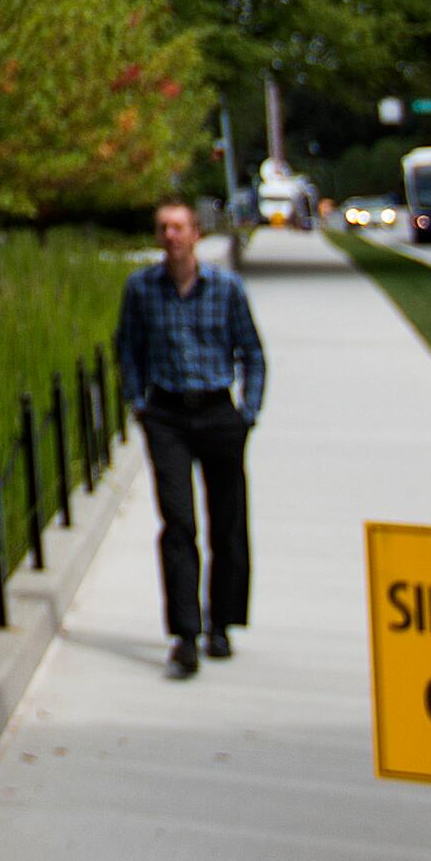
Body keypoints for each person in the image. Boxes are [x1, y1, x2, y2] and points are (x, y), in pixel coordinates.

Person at [115, 197, 264, 681]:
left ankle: (221, 622)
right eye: (163, 228)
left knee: (228, 524)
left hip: (219, 412)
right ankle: (184, 634)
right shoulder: (141, 289)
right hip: (168, 416)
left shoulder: (226, 288)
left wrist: (248, 412)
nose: (172, 235)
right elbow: (128, 350)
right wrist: (138, 402)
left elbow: (253, 354)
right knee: (178, 523)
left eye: (179, 227)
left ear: (196, 233)